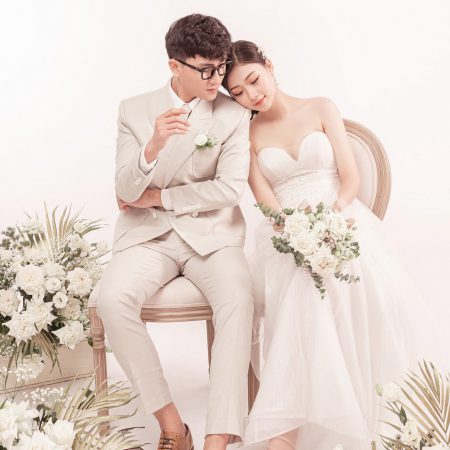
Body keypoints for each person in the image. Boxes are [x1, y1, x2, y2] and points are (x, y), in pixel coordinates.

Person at [222, 40, 448, 450]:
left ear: (269, 65)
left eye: (254, 80)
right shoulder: (247, 134)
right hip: (287, 235)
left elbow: (350, 178)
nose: (251, 95)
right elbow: (267, 204)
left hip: (341, 220)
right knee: (303, 283)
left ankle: (285, 436)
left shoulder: (321, 107)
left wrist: (331, 220)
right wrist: (297, 233)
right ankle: (290, 433)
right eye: (238, 92)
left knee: (329, 282)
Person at [92, 16, 254, 450]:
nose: (217, 79)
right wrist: (153, 145)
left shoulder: (234, 113)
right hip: (148, 236)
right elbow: (125, 191)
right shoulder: (134, 109)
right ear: (174, 66)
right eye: (206, 69)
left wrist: (160, 197)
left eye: (221, 67)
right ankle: (172, 428)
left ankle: (218, 437)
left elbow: (229, 189)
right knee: (112, 299)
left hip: (212, 235)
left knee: (238, 298)